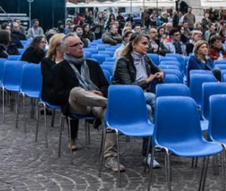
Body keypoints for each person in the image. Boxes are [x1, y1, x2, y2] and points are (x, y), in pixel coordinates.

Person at [48, 34, 122, 171]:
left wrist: (101, 92)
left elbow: (105, 86)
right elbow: (54, 95)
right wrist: (85, 94)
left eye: (81, 43)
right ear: (66, 50)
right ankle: (117, 104)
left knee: (109, 112)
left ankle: (110, 157)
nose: (80, 47)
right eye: (75, 45)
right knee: (76, 90)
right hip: (77, 105)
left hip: (98, 103)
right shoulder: (58, 69)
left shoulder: (93, 65)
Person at [113, 32, 163, 167]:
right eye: (144, 43)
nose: (148, 46)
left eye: (148, 43)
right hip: (126, 97)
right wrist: (148, 80)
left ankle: (148, 154)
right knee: (153, 98)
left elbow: (157, 68)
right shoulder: (123, 61)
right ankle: (161, 136)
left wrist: (161, 72)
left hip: (142, 97)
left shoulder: (145, 58)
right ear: (134, 45)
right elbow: (129, 87)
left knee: (148, 110)